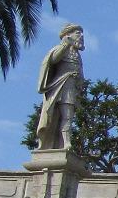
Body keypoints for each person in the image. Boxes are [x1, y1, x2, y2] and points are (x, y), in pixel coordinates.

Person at [35, 23, 85, 152]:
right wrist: (65, 44)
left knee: (67, 116)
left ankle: (65, 143)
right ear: (68, 34)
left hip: (71, 87)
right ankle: (62, 143)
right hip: (61, 86)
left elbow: (80, 72)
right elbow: (53, 60)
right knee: (58, 116)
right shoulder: (60, 48)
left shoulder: (77, 54)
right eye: (78, 33)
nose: (81, 36)